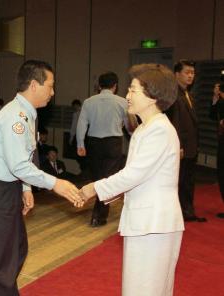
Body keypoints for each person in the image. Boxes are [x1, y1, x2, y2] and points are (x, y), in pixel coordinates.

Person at [0, 60, 82, 296]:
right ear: (34, 85)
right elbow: (19, 164)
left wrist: (25, 189)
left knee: (16, 251)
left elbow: (23, 157)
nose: (53, 93)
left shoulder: (27, 113)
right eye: (51, 86)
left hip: (9, 189)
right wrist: (56, 183)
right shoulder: (17, 117)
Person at [80, 64, 184, 296]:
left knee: (146, 289)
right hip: (146, 220)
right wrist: (115, 193)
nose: (127, 96)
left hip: (154, 222)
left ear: (152, 96)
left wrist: (93, 188)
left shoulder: (158, 130)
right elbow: (140, 177)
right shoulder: (147, 128)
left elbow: (134, 175)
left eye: (133, 90)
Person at [76, 71, 137, 227]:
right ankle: (98, 216)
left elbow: (81, 124)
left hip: (93, 143)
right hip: (113, 144)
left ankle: (98, 213)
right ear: (115, 86)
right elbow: (131, 126)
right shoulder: (122, 102)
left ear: (99, 86)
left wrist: (80, 144)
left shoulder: (89, 102)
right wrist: (137, 141)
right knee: (107, 179)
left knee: (98, 178)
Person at [166, 60, 206, 222]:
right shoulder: (173, 94)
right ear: (177, 74)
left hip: (191, 146)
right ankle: (178, 213)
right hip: (181, 148)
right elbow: (174, 123)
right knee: (179, 182)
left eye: (193, 73)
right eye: (187, 72)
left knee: (188, 181)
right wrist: (179, 146)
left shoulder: (188, 93)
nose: (191, 76)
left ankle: (187, 212)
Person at [210, 82, 224, 218]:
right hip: (222, 140)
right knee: (222, 173)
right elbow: (212, 115)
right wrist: (215, 98)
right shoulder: (220, 100)